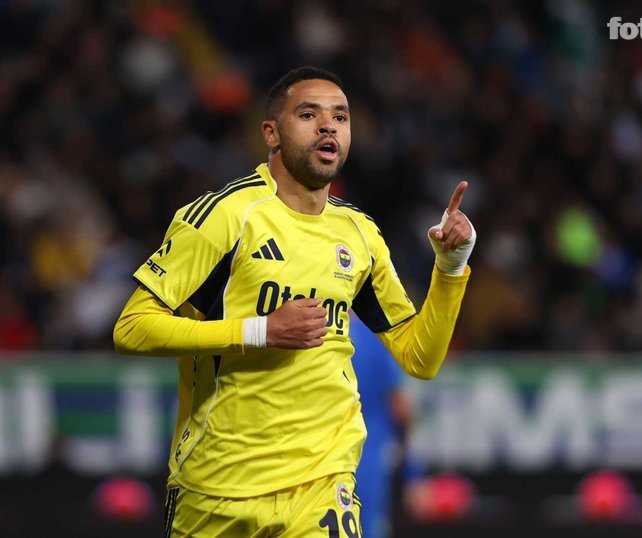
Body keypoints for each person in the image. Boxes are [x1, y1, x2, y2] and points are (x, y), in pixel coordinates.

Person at [113, 66, 475, 537]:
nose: (328, 126)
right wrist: (261, 330)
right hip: (217, 485)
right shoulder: (225, 217)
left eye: (340, 117)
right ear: (271, 133)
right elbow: (133, 328)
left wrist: (449, 269)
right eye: (308, 115)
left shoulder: (360, 234)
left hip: (323, 483)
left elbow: (419, 357)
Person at [350, 314, 412, 538]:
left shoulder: (316, 334)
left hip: (324, 458)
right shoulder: (377, 337)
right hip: (369, 458)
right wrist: (411, 471)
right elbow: (402, 409)